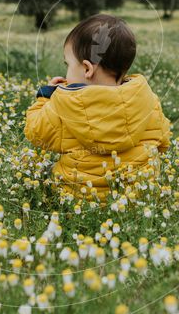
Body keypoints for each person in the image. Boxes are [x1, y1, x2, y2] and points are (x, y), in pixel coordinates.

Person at [24, 13, 171, 204]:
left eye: (68, 64)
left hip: (78, 201)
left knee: (38, 168)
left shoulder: (64, 104)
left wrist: (45, 97)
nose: (66, 71)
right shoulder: (148, 99)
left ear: (87, 69)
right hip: (139, 199)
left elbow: (35, 132)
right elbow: (163, 143)